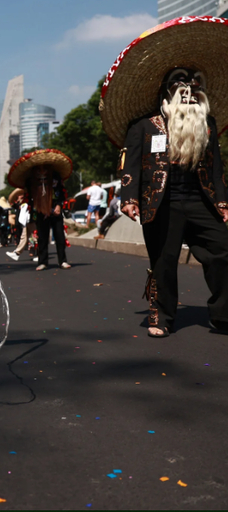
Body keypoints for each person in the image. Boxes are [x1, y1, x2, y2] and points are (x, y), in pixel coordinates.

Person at [100, 16, 228, 337]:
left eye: (194, 84)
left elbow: (216, 168)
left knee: (223, 251)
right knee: (163, 261)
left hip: (201, 201)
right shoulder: (143, 127)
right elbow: (129, 166)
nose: (189, 89)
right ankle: (161, 316)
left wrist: (223, 203)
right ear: (166, 92)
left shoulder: (208, 125)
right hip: (161, 203)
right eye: (180, 83)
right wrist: (129, 199)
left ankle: (223, 314)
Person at [8, 149, 72, 271]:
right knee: (42, 237)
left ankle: (63, 261)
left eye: (44, 168)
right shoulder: (30, 181)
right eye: (39, 168)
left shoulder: (56, 177)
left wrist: (58, 206)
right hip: (40, 211)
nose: (42, 170)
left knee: (59, 236)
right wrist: (38, 209)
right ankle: (43, 262)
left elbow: (62, 193)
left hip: (55, 211)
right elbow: (28, 198)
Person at [6, 188, 36, 261]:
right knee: (24, 237)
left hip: (32, 219)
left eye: (20, 194)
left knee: (35, 237)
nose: (20, 196)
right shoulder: (21, 202)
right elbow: (11, 201)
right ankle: (17, 253)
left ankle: (41, 255)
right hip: (25, 221)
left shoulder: (31, 198)